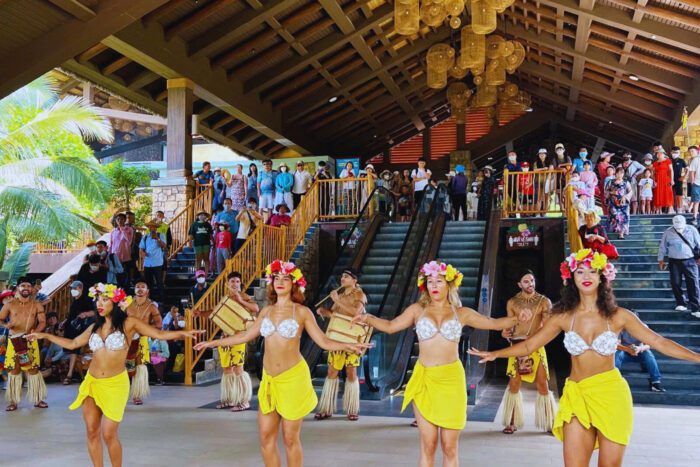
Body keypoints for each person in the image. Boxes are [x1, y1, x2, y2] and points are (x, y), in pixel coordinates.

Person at [468, 249, 700, 467]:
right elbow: (530, 344)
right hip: (577, 394)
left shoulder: (620, 316)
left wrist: (697, 358)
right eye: (580, 271)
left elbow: (659, 342)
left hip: (610, 394)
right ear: (571, 278)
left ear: (602, 277)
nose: (586, 276)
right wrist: (495, 353)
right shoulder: (562, 316)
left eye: (592, 271)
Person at [353, 261, 531, 466]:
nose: (434, 285)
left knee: (449, 447)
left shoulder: (461, 313)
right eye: (430, 281)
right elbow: (391, 326)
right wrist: (367, 317)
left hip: (451, 381)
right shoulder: (416, 310)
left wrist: (518, 318)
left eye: (439, 281)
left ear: (449, 285)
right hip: (425, 380)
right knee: (428, 445)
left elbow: (492, 323)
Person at [194, 260, 369, 466]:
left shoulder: (302, 312)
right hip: (269, 381)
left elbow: (322, 340)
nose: (280, 281)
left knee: (290, 439)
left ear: (294, 284)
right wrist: (214, 342)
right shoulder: (266, 311)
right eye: (276, 278)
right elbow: (245, 335)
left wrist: (348, 346)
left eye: (285, 278)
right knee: (266, 439)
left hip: (293, 379)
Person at [27, 283, 202, 467]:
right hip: (92, 383)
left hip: (115, 384)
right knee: (92, 432)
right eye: (97, 300)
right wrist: (46, 336)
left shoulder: (129, 323)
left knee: (109, 434)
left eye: (105, 300)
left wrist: (183, 333)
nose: (99, 304)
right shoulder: (95, 326)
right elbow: (73, 343)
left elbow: (158, 333)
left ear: (116, 301)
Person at [500, 271, 556, 435]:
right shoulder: (512, 302)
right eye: (526, 281)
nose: (530, 283)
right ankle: (512, 422)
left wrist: (537, 339)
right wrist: (505, 333)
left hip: (535, 346)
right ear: (519, 284)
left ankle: (550, 422)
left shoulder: (544, 301)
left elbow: (548, 327)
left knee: (543, 385)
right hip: (516, 346)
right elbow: (508, 325)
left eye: (532, 280)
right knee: (514, 385)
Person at [198, 272, 260, 411]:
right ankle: (230, 399)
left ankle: (244, 400)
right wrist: (201, 313)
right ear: (227, 283)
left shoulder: (244, 296)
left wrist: (240, 300)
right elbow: (216, 312)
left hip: (238, 337)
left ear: (240, 283)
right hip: (225, 338)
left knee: (238, 369)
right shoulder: (225, 298)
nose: (235, 284)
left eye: (237, 281)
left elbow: (255, 308)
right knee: (227, 369)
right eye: (232, 281)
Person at [315, 269, 367, 421]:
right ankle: (326, 408)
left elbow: (356, 314)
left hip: (352, 339)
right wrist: (324, 312)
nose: (342, 278)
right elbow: (336, 316)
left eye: (346, 276)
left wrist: (337, 301)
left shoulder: (359, 295)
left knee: (351, 373)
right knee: (332, 372)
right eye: (342, 276)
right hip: (337, 340)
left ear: (354, 280)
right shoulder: (341, 295)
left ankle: (352, 408)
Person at [0, 278, 48, 411]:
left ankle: (38, 399)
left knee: (33, 370)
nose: (26, 288)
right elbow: (0, 319)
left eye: (28, 285)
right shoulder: (10, 304)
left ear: (32, 289)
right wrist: (6, 325)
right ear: (18, 288)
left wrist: (36, 333)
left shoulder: (37, 304)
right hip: (13, 340)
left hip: (30, 340)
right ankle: (13, 401)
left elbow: (42, 322)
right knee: (14, 370)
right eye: (23, 285)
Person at [125, 279, 163, 405]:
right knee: (126, 367)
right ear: (134, 290)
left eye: (143, 287)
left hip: (142, 340)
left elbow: (159, 324)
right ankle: (123, 392)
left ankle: (137, 394)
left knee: (140, 366)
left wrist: (145, 330)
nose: (140, 289)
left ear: (147, 291)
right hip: (127, 339)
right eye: (137, 286)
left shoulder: (151, 306)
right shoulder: (127, 304)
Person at [658, 215, 700, 318]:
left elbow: (699, 244)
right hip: (674, 261)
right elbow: (662, 246)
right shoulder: (668, 232)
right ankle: (681, 303)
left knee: (693, 284)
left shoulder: (692, 230)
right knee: (675, 283)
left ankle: (696, 308)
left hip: (689, 260)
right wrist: (661, 259)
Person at [615, 313, 665, 392]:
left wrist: (639, 348)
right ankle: (614, 380)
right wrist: (627, 349)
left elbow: (649, 344)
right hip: (625, 352)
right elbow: (616, 345)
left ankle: (655, 382)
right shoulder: (619, 327)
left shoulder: (644, 327)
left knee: (648, 353)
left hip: (638, 352)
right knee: (617, 353)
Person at [63, 280, 96, 385]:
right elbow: (72, 315)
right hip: (71, 329)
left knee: (74, 351)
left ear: (80, 288)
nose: (73, 290)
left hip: (80, 330)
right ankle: (75, 374)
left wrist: (85, 314)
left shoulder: (86, 299)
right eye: (71, 289)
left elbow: (94, 312)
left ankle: (69, 375)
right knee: (71, 351)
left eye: (75, 288)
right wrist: (65, 322)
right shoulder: (74, 301)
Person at [139, 220, 167, 301]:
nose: (152, 228)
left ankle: (162, 301)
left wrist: (157, 239)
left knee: (159, 282)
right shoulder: (145, 237)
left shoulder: (160, 235)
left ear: (156, 228)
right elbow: (141, 248)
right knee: (148, 283)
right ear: (149, 228)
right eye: (150, 226)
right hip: (147, 263)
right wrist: (143, 253)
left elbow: (164, 246)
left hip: (157, 262)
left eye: (153, 226)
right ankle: (148, 300)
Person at [109, 213, 134, 288]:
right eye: (118, 219)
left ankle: (126, 294)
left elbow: (129, 241)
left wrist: (122, 229)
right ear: (116, 221)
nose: (120, 221)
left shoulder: (129, 229)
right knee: (116, 277)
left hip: (125, 258)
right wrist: (109, 255)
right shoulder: (113, 231)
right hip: (115, 258)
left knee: (125, 277)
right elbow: (111, 244)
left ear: (125, 220)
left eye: (122, 219)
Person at [607, 167, 632, 239]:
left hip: (623, 203)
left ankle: (621, 233)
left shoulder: (626, 182)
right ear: (615, 174)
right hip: (613, 202)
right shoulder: (610, 182)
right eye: (618, 173)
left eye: (621, 173)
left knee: (624, 217)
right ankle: (616, 228)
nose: (619, 175)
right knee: (615, 215)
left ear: (623, 174)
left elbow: (630, 191)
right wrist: (612, 192)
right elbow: (606, 191)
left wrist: (625, 197)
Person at [188, 211, 213, 277]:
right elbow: (191, 235)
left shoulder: (208, 224)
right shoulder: (194, 225)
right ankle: (197, 274)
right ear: (198, 216)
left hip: (206, 244)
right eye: (201, 215)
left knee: (206, 259)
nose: (202, 216)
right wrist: (190, 243)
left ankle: (206, 274)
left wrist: (214, 241)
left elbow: (210, 235)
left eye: (204, 215)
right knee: (198, 259)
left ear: (206, 217)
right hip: (197, 244)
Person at [670, 147, 687, 214]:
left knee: (679, 195)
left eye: (676, 152)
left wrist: (684, 177)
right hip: (669, 180)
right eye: (673, 152)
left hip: (678, 180)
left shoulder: (681, 160)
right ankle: (671, 208)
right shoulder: (669, 160)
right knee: (670, 194)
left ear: (679, 153)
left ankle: (679, 209)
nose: (675, 154)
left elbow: (687, 169)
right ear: (671, 152)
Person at [686, 146, 700, 224]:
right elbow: (692, 172)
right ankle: (694, 217)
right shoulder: (695, 160)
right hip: (697, 183)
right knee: (696, 201)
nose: (691, 153)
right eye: (690, 151)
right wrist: (693, 182)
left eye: (692, 151)